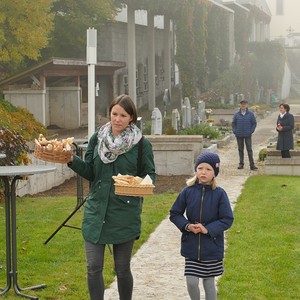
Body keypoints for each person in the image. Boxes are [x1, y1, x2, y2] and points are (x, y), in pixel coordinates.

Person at [67, 94, 156, 300]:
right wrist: (71, 160)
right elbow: (90, 171)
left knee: (122, 269)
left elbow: (150, 174)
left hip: (124, 213)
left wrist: (140, 184)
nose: (117, 119)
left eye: (123, 115)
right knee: (93, 267)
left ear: (131, 118)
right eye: (114, 113)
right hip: (96, 211)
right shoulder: (97, 138)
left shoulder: (141, 145)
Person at [169, 152, 234, 300]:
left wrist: (208, 229)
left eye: (208, 169)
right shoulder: (187, 191)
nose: (203, 172)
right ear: (196, 170)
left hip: (211, 246)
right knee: (191, 282)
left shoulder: (219, 194)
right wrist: (187, 226)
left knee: (209, 282)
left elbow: (227, 219)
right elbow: (175, 213)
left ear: (215, 173)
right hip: (191, 246)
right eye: (200, 168)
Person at [232, 99, 258, 170]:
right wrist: (235, 131)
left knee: (249, 149)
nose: (243, 105)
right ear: (240, 105)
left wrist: (251, 131)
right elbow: (233, 123)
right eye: (242, 104)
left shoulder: (250, 114)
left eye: (244, 104)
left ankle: (252, 165)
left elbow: (254, 123)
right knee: (240, 149)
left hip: (247, 134)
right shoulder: (237, 114)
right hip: (239, 134)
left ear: (247, 105)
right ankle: (241, 164)